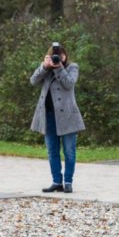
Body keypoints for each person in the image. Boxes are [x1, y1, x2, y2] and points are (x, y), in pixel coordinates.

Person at [30, 43, 85, 193]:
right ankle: (56, 181)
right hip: (48, 116)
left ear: (65, 56)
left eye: (61, 55)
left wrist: (59, 67)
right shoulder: (46, 69)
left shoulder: (72, 67)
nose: (58, 58)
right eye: (55, 56)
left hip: (67, 117)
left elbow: (69, 83)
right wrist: (44, 66)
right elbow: (33, 80)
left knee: (69, 151)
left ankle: (67, 182)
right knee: (52, 151)